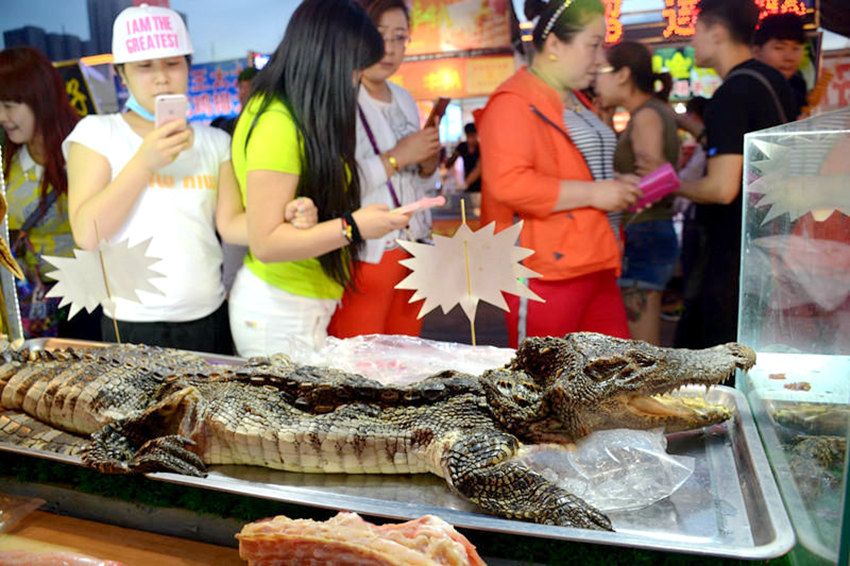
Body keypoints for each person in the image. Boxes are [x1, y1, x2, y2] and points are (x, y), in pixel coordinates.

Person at [228, 0, 413, 357]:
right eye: (354, 69)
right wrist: (353, 227)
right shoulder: (278, 123)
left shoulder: (292, 113)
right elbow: (266, 243)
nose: (355, 81)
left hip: (299, 303)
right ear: (327, 59)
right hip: (281, 309)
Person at [63, 4, 250, 354]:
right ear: (122, 74)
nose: (161, 77)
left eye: (173, 63)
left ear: (187, 67)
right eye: (144, 67)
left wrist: (282, 218)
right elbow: (86, 234)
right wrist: (144, 163)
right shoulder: (97, 133)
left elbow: (232, 225)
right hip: (132, 318)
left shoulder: (215, 141)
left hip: (208, 313)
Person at [477, 0, 642, 348]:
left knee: (613, 377)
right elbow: (508, 183)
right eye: (593, 45)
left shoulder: (576, 100)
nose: (600, 59)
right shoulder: (513, 102)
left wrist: (614, 185)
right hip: (543, 271)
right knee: (542, 384)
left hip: (596, 258)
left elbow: (577, 166)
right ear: (554, 45)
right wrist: (597, 193)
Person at [659, 0, 796, 350]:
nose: (693, 42)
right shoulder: (772, 81)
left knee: (715, 358)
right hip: (770, 246)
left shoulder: (730, 94)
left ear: (716, 31)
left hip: (732, 258)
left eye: (697, 31)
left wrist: (670, 183)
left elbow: (721, 189)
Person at [327, 0, 441, 340]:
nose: (388, 49)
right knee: (360, 361)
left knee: (406, 358)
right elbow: (335, 184)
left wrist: (427, 165)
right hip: (366, 252)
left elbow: (420, 182)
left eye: (399, 37)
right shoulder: (339, 98)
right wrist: (397, 157)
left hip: (415, 246)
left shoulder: (405, 98)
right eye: (379, 36)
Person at [0, 46, 101, 341]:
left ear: (40, 99)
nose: (2, 117)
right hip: (30, 300)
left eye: (9, 105)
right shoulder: (8, 158)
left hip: (85, 300)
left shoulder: (86, 149)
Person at [594, 40, 680, 345]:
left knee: (641, 348)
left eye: (601, 70)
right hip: (647, 232)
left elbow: (654, 183)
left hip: (644, 233)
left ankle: (649, 396)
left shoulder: (645, 116)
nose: (596, 79)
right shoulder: (650, 111)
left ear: (622, 75)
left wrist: (612, 186)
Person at [753, 13, 807, 120]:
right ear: (756, 52)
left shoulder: (798, 85)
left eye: (796, 48)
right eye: (779, 48)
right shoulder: (747, 89)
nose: (789, 57)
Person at [445, 123, 481, 216]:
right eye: (469, 136)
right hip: (468, 189)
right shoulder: (462, 147)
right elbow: (451, 162)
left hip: (480, 188)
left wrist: (465, 184)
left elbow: (479, 169)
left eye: (473, 136)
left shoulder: (480, 148)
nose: (471, 140)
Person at [211, 66, 260, 136]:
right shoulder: (235, 123)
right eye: (241, 87)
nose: (243, 92)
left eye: (248, 87)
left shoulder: (264, 117)